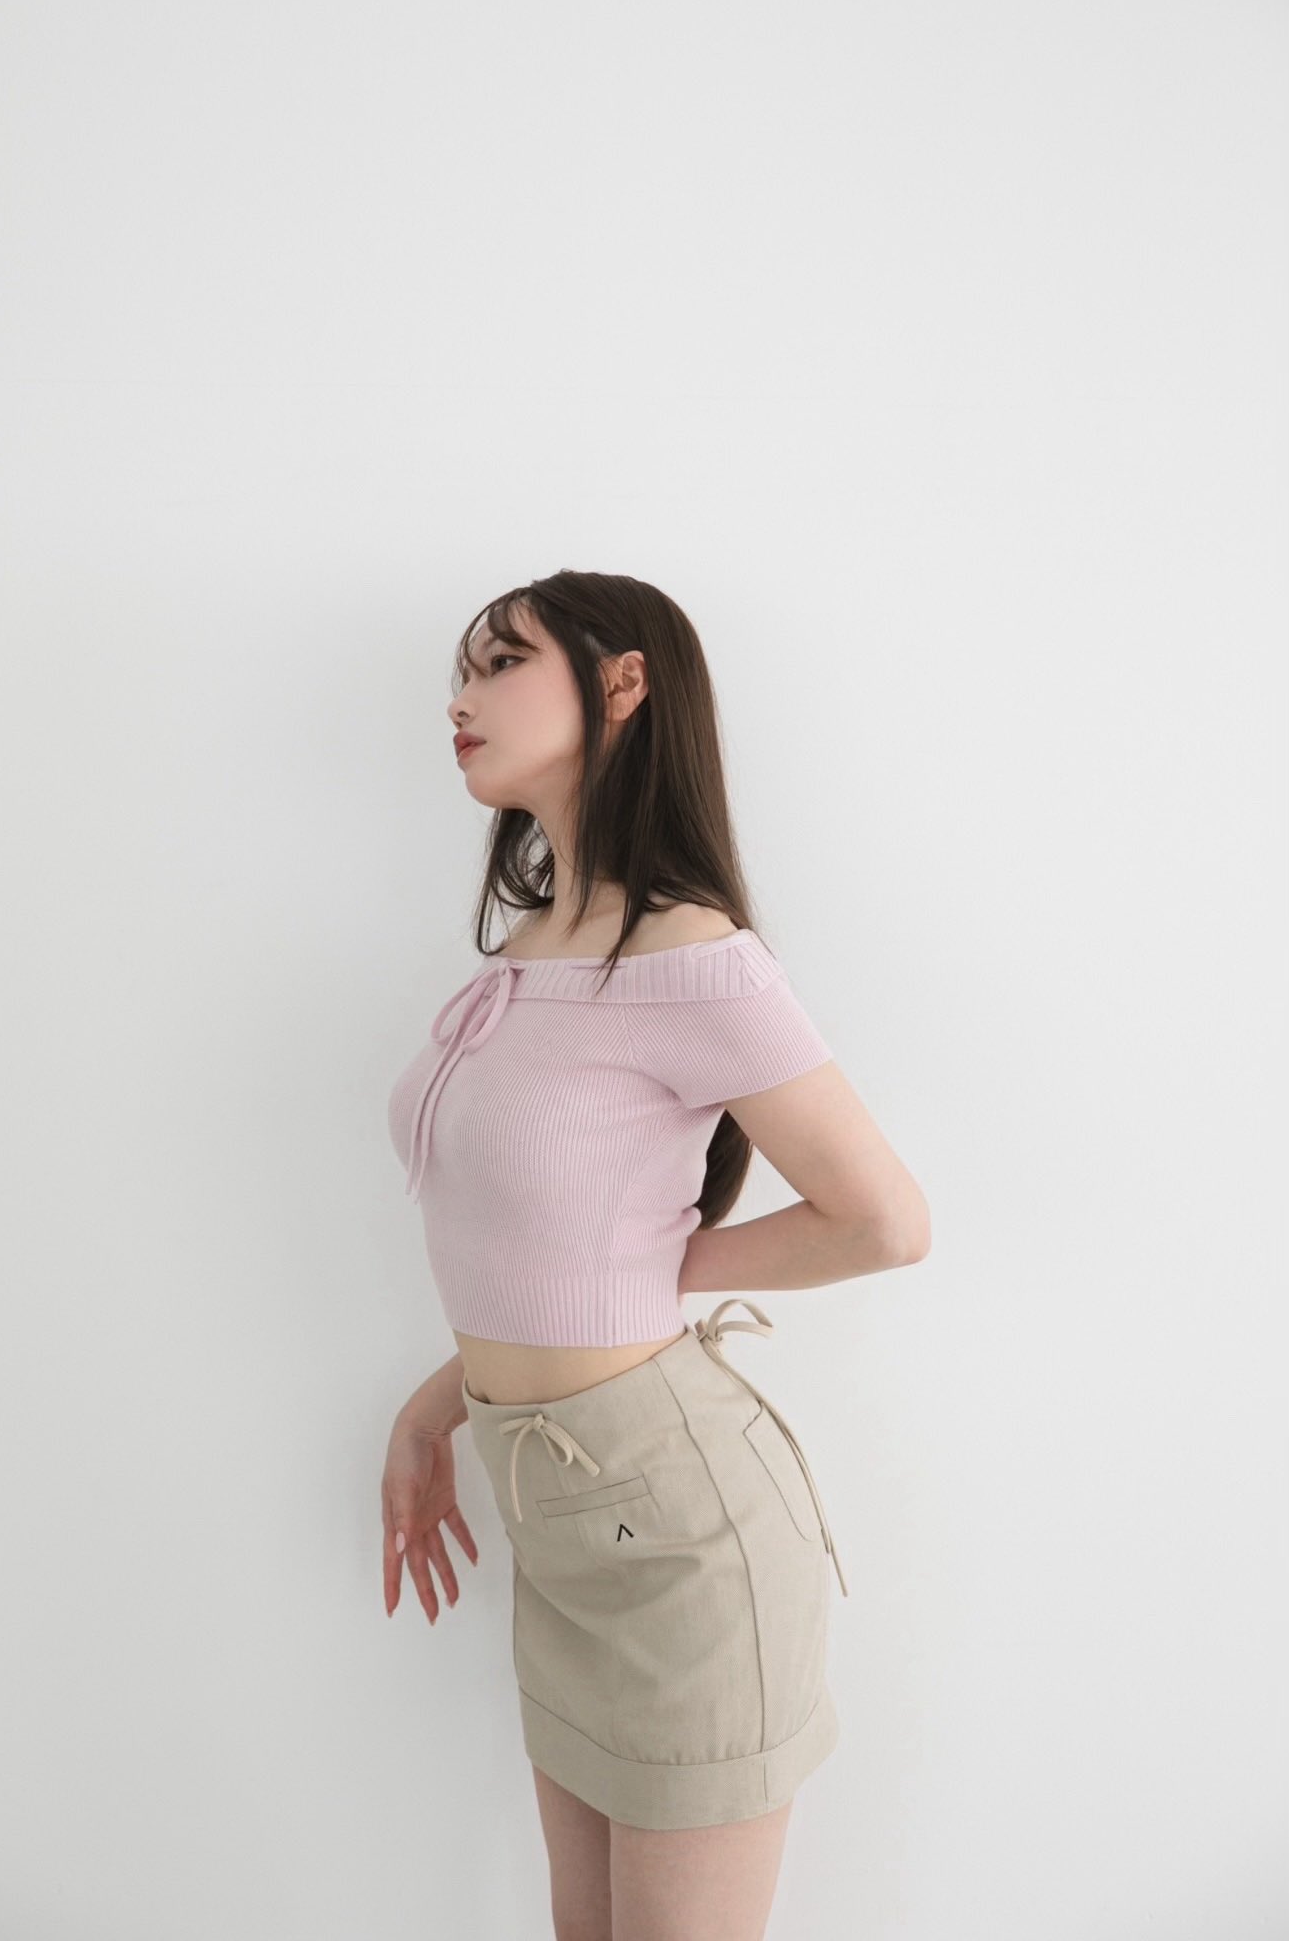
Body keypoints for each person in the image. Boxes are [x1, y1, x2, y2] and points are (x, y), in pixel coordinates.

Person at [381, 569, 930, 1941]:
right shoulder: (528, 950)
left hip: (681, 1538)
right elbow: (527, 1254)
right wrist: (434, 1409)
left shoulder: (692, 954)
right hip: (555, 1514)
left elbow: (882, 1220)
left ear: (622, 684)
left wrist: (644, 1273)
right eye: (462, 672)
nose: (459, 700)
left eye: (500, 663)